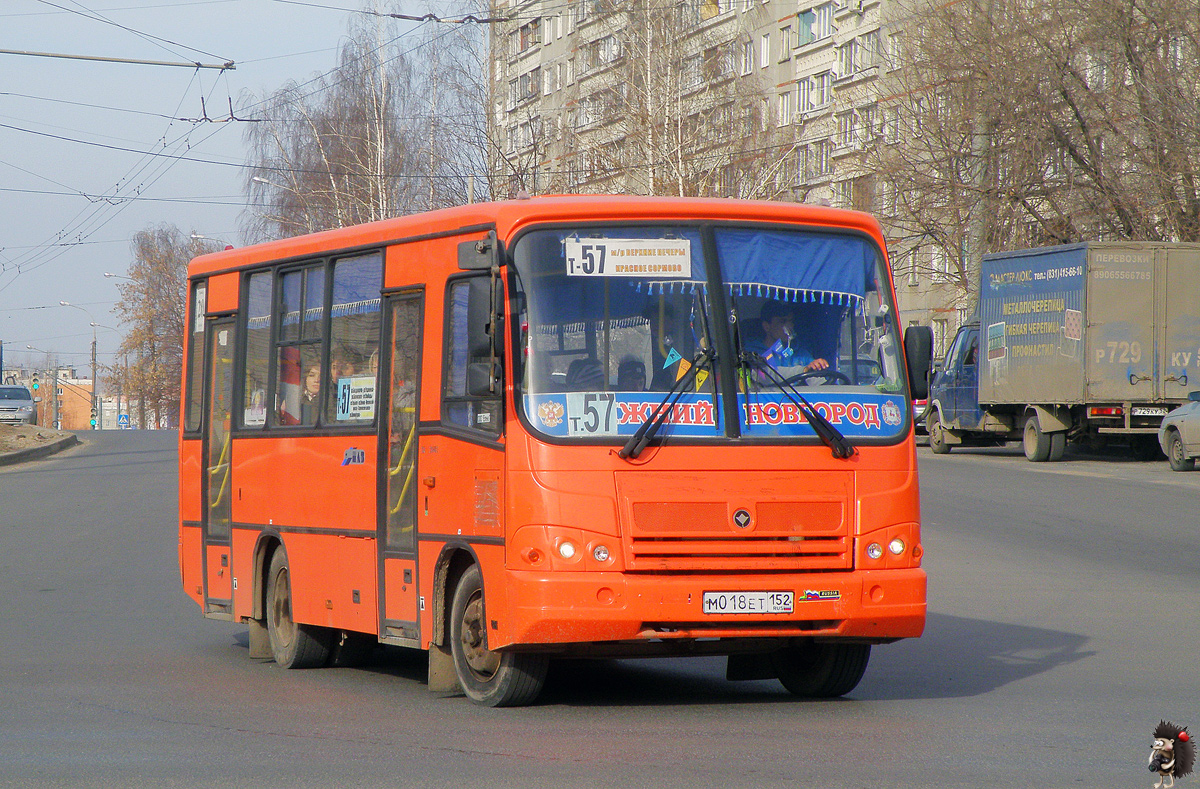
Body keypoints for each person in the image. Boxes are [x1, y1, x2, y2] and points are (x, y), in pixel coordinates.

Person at [746, 300, 828, 374]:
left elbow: (815, 378)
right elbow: (763, 375)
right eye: (782, 321)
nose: (789, 326)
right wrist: (804, 370)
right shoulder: (753, 354)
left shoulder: (801, 354)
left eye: (791, 321)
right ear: (766, 326)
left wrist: (817, 366)